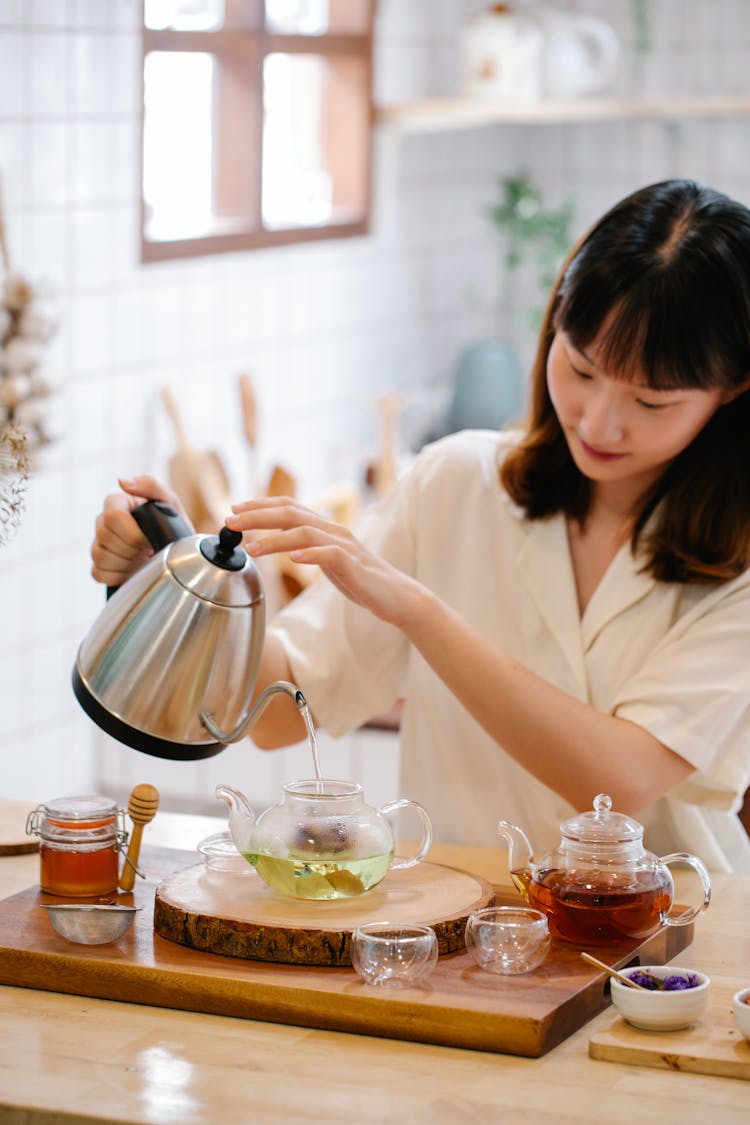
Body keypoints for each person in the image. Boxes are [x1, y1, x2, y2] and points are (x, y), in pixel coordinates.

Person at [91, 179, 750, 873]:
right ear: (554, 320)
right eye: (581, 368)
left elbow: (617, 780)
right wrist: (180, 578)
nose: (598, 421)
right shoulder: (457, 483)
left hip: (671, 953)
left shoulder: (738, 564)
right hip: (464, 937)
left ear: (734, 389)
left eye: (652, 401)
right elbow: (284, 710)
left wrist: (417, 611)